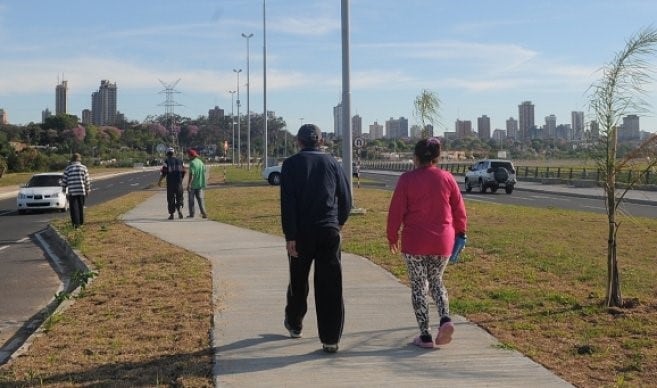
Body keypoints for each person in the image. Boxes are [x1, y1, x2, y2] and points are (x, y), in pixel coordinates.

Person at [386, 137, 467, 349]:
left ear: (415, 157)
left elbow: (396, 210)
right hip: (443, 241)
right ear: (437, 158)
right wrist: (461, 232)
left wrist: (392, 235)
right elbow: (459, 209)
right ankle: (445, 319)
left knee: (419, 286)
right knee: (437, 281)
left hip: (415, 242)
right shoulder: (447, 178)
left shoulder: (406, 179)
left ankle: (425, 336)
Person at [280, 123, 352, 354]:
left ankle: (295, 323)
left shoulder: (290, 165)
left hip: (301, 234)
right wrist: (338, 222)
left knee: (298, 281)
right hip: (329, 231)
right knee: (330, 285)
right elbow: (346, 197)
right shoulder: (332, 162)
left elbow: (287, 203)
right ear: (321, 141)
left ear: (299, 142)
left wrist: (290, 235)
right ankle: (330, 339)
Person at [61, 153, 91, 229]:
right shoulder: (84, 168)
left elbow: (64, 180)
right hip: (81, 191)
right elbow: (87, 180)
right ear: (79, 159)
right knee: (81, 207)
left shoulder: (68, 168)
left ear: (72, 159)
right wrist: (88, 189)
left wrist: (64, 189)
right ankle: (81, 223)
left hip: (72, 191)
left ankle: (76, 225)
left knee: (74, 209)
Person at [158, 147, 186, 220]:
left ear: (167, 154)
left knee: (170, 199)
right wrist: (181, 179)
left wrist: (160, 181)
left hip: (170, 183)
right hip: (179, 183)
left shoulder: (166, 161)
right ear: (174, 153)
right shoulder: (180, 161)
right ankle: (179, 209)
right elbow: (184, 171)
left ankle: (172, 214)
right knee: (179, 197)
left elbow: (164, 173)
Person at [185, 148, 207, 218]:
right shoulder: (201, 162)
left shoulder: (192, 163)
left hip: (193, 185)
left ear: (191, 156)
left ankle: (192, 214)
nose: (188, 157)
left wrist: (189, 185)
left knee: (191, 201)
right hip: (200, 184)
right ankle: (204, 213)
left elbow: (192, 175)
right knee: (200, 200)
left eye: (188, 155)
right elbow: (204, 171)